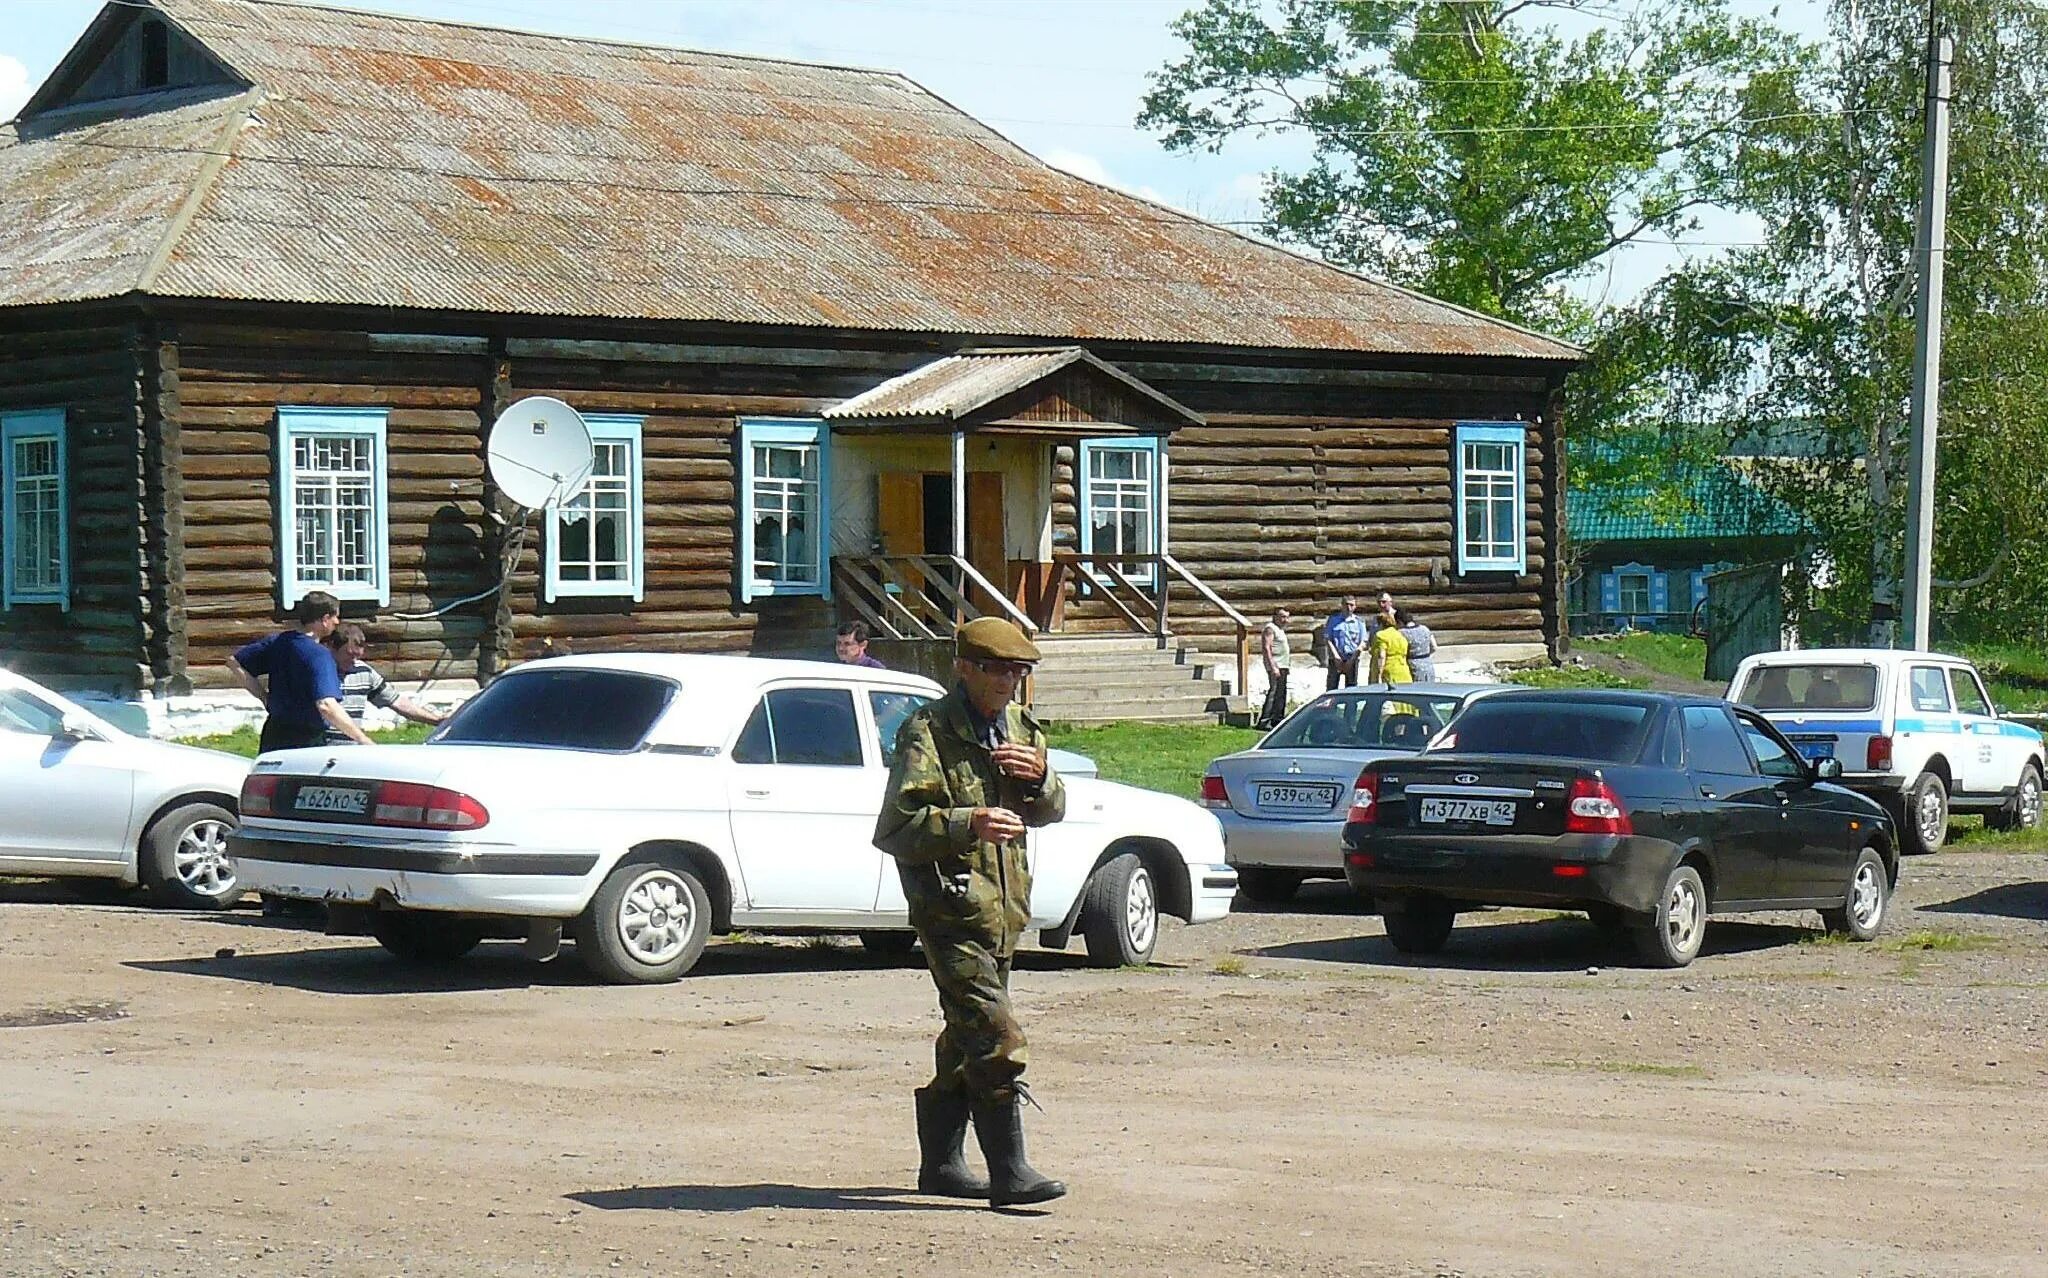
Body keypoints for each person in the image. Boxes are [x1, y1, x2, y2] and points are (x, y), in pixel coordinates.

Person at [873, 617, 1068, 1208]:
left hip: (1003, 909)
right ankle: (1011, 1174)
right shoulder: (928, 732)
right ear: (964, 668)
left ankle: (942, 1167)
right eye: (998, 669)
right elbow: (897, 828)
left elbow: (1049, 810)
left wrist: (1041, 783)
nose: (1010, 681)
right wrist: (970, 823)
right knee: (995, 1035)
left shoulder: (1019, 728)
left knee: (964, 1041)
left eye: (1020, 671)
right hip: (950, 909)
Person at [226, 591, 371, 752]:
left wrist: (264, 698)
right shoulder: (319, 655)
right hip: (305, 740)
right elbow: (326, 705)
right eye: (335, 617)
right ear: (324, 619)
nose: (337, 622)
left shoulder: (278, 642)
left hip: (274, 733)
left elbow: (234, 662)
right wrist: (363, 740)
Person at [323, 624, 446, 746]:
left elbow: (396, 701)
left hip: (352, 751)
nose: (354, 661)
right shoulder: (318, 672)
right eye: (349, 655)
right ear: (332, 647)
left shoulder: (364, 672)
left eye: (358, 655)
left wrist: (436, 720)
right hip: (318, 750)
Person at [1258, 607, 1292, 729]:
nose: (1285, 620)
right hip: (1276, 665)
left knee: (1281, 693)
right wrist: (1273, 667)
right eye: (1282, 617)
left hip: (1283, 665)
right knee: (1274, 691)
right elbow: (1267, 647)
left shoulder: (1280, 630)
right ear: (1275, 617)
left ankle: (1277, 719)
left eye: (1287, 617)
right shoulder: (1270, 629)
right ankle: (1264, 720)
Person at [1323, 596, 1366, 690]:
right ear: (1342, 605)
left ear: (1355, 607)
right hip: (1335, 659)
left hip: (1352, 658)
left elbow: (1362, 642)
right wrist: (1336, 657)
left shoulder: (1359, 622)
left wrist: (1352, 660)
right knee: (1331, 687)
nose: (1349, 607)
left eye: (1351, 605)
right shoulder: (1333, 620)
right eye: (1346, 604)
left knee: (1351, 688)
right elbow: (1328, 638)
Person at [1368, 600, 1413, 684]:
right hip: (1404, 672)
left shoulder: (1381, 635)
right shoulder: (1400, 635)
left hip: (1390, 674)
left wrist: (1378, 677)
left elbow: (1381, 656)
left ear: (1381, 624)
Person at [1397, 608, 1438, 682]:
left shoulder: (1401, 633)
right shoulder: (1425, 628)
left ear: (1399, 621)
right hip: (1428, 664)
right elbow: (1434, 647)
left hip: (1412, 666)